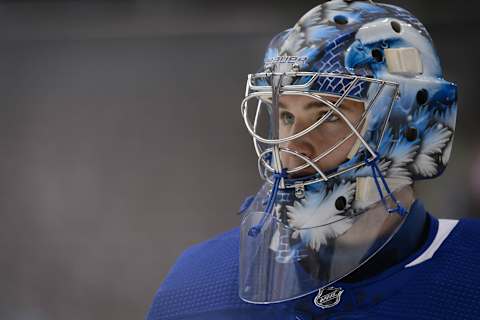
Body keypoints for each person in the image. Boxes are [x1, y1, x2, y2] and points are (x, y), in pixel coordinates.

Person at [147, 1, 480, 319]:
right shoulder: (195, 285)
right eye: (286, 116)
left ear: (409, 122)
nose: (293, 146)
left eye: (328, 116)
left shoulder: (469, 275)